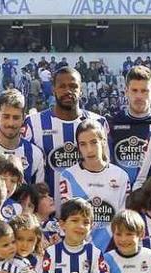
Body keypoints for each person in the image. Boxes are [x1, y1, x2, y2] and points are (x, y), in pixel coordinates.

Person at [22, 67, 109, 199]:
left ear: (80, 90)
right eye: (62, 86)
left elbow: (106, 166)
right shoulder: (33, 123)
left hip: (86, 213)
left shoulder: (98, 122)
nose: (68, 91)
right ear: (53, 89)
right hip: (46, 214)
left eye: (73, 86)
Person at [57, 120, 129, 251]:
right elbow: (68, 219)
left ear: (104, 142)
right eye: (83, 144)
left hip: (112, 248)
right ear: (78, 147)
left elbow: (123, 218)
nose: (89, 149)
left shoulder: (121, 176)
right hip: (79, 248)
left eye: (94, 142)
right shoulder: (68, 176)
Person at [109, 65, 151, 185]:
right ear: (126, 91)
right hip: (122, 196)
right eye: (134, 90)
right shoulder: (113, 122)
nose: (139, 96)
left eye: (144, 91)